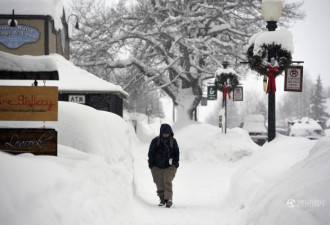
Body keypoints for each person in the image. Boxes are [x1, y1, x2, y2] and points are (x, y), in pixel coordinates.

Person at [148, 123, 180, 208]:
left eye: (167, 133)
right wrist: (151, 165)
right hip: (156, 166)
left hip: (170, 166)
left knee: (167, 180)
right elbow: (151, 153)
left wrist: (175, 163)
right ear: (161, 132)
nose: (166, 134)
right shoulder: (155, 141)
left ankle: (168, 199)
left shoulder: (173, 141)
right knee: (159, 182)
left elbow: (177, 153)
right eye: (164, 133)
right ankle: (162, 198)